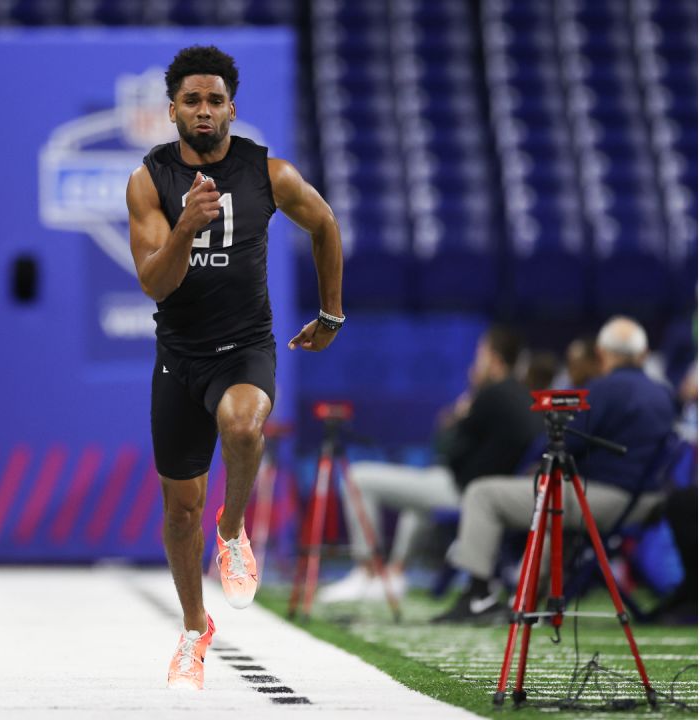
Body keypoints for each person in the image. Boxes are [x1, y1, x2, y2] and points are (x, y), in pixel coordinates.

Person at [125, 45, 344, 690]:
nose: (203, 110)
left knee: (244, 425)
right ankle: (194, 630)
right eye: (191, 100)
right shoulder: (149, 179)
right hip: (180, 357)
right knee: (179, 512)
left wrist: (331, 314)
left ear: (231, 108)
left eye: (214, 100)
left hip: (246, 346)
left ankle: (235, 529)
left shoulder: (266, 172)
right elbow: (153, 284)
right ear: (172, 110)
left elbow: (325, 224)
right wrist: (186, 226)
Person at [432, 316, 678, 623]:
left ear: (602, 353)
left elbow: (559, 442)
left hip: (606, 499)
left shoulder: (603, 390)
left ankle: (478, 596)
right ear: (642, 354)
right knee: (552, 512)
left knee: (483, 493)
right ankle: (531, 600)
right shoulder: (664, 393)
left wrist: (525, 469)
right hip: (648, 501)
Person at [316, 326, 541, 603]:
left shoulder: (490, 394)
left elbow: (447, 450)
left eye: (480, 353)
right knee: (421, 492)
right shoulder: (519, 394)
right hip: (479, 486)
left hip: (462, 490)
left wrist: (460, 413)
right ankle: (396, 573)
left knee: (357, 477)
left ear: (494, 359)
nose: (476, 360)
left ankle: (368, 572)